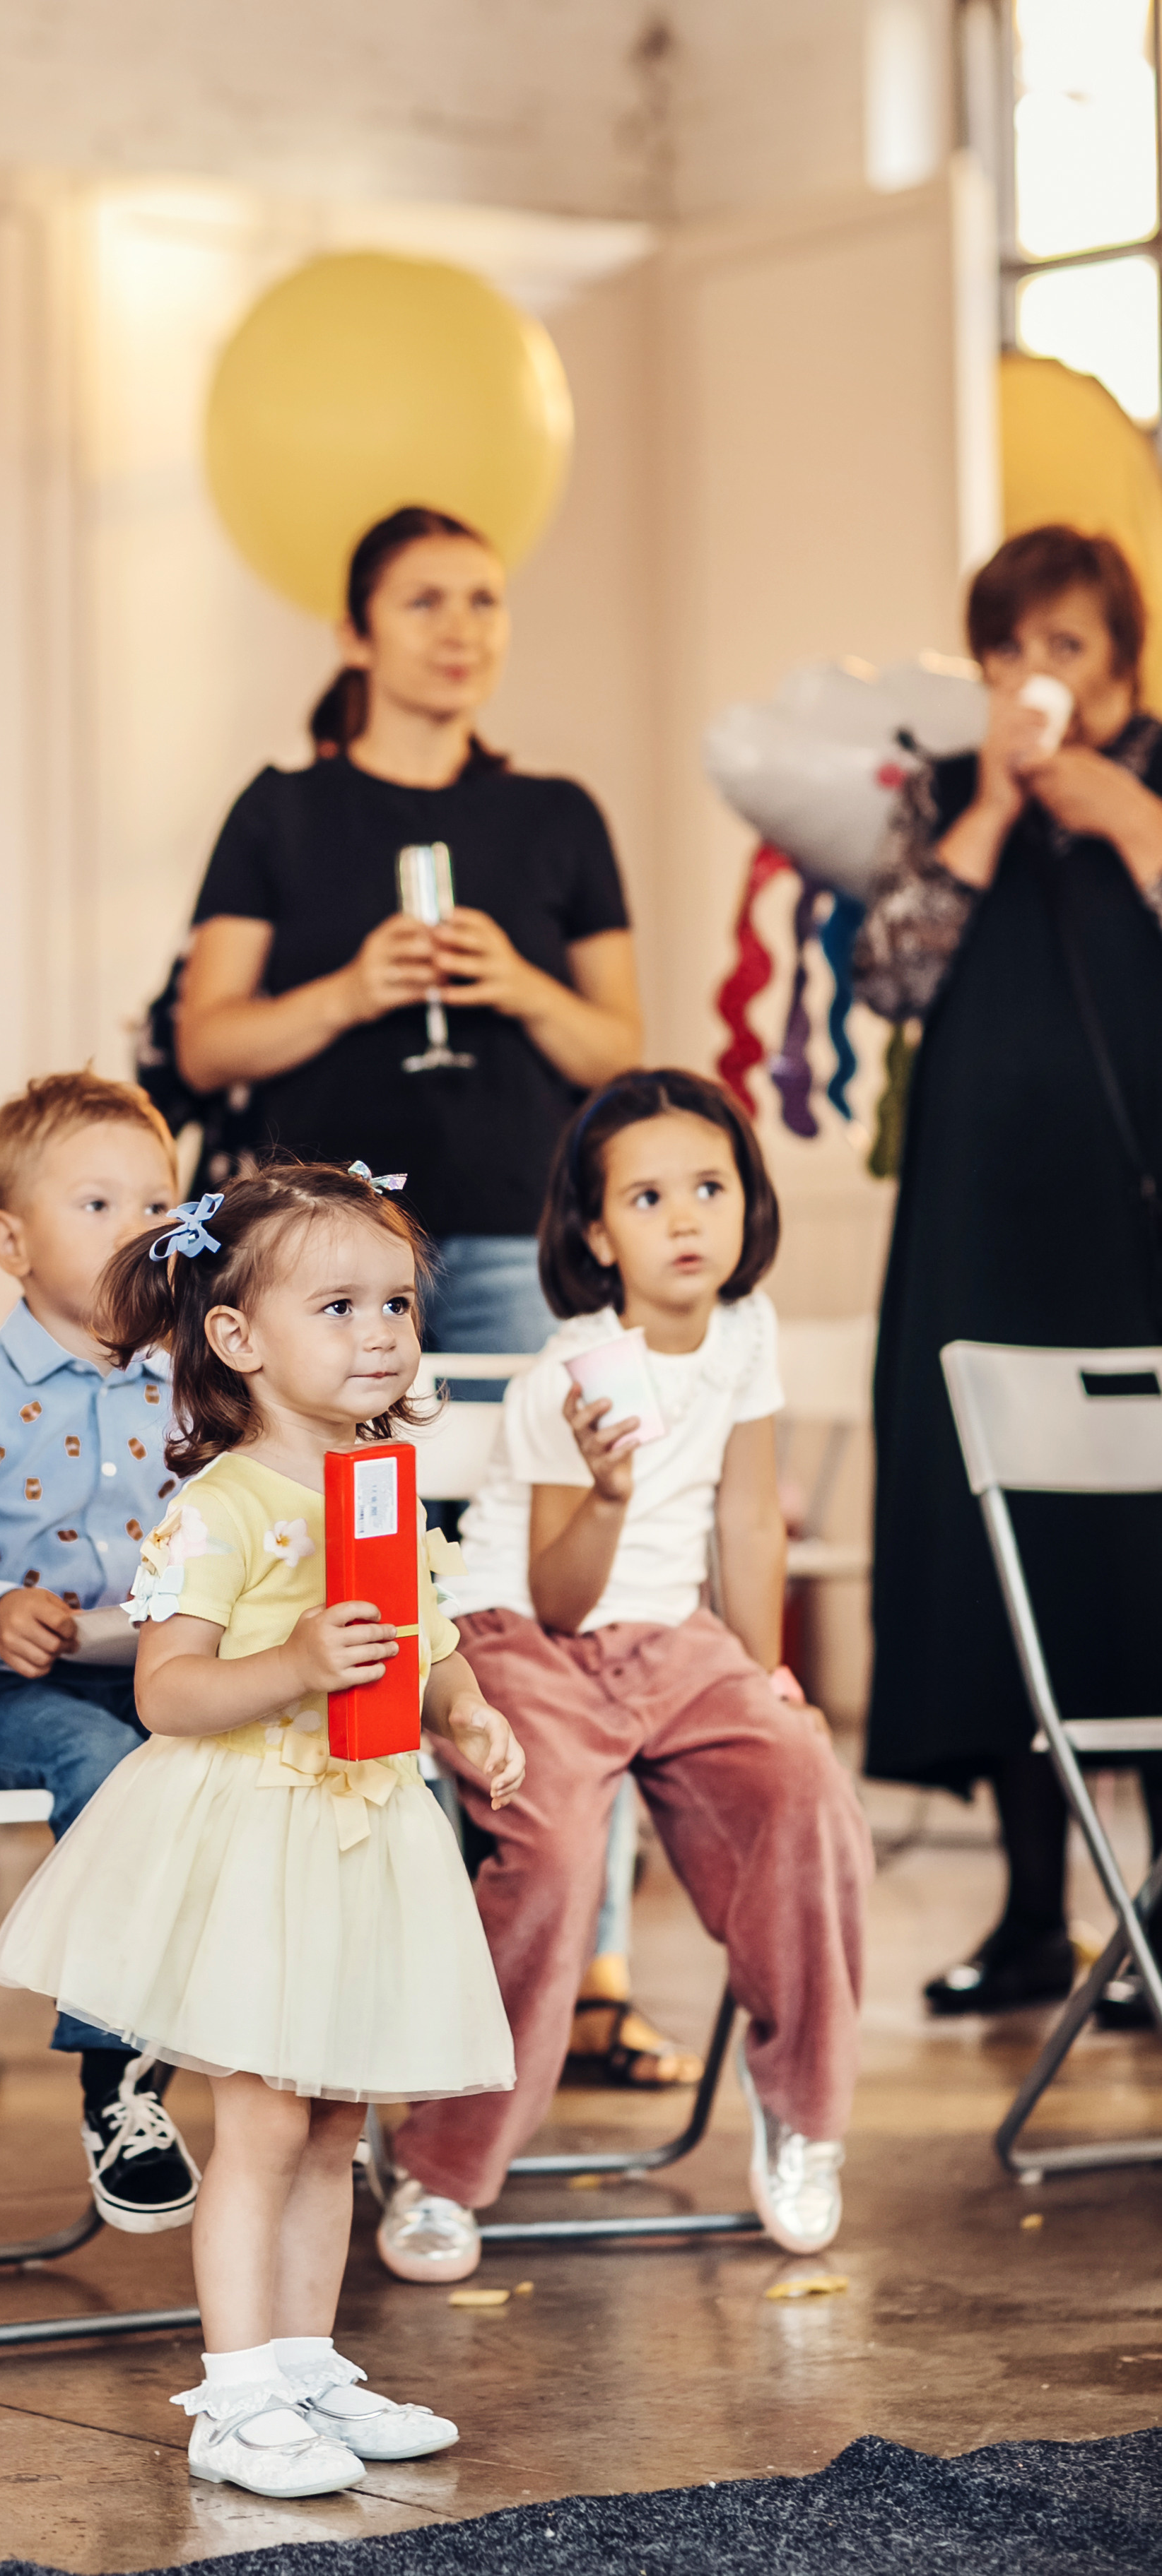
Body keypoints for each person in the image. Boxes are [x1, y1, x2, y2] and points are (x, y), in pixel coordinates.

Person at [177, 504, 677, 2086]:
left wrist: (513, 982)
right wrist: (354, 988)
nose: (459, 628)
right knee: (323, 1576)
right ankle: (344, 1941)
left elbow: (625, 1051)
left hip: (516, 1250)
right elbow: (206, 1043)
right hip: (317, 1269)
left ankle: (577, 1961)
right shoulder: (281, 809)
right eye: (422, 601)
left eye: (483, 600)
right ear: (356, 632)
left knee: (546, 1587)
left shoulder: (553, 814)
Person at [0, 1162, 522, 2500]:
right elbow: (168, 1693)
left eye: (394, 1302)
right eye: (338, 1304)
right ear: (236, 1338)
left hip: (370, 1827)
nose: (381, 1332)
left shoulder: (380, 1484)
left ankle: (302, 2361)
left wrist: (464, 1709)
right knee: (266, 2122)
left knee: (338, 2118)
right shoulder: (220, 1504)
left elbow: (431, 1638)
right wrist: (288, 1663)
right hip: (264, 1836)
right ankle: (231, 2394)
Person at [375, 1072, 873, 2284]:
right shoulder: (572, 1371)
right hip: (524, 1634)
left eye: (709, 1187)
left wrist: (764, 1678)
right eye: (647, 1198)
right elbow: (556, 1593)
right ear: (597, 1235)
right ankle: (443, 2165)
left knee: (804, 1786)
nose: (686, 1218)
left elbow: (748, 1521)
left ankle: (803, 2109)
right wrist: (605, 1489)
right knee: (550, 1860)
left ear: (747, 1204)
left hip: (674, 1637)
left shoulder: (745, 1333)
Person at [856, 526, 1162, 2023]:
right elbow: (889, 982)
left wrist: (1130, 822)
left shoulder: (1153, 782)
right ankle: (1033, 1909)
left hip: (1131, 1231)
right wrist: (989, 807)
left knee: (1143, 1542)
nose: (1034, 678)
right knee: (998, 1549)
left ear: (1122, 666)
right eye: (1010, 652)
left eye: (1065, 650)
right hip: (978, 1231)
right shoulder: (942, 797)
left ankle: (1159, 1911)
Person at [0, 1070, 202, 2228]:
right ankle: (114, 2076)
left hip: (164, 1679)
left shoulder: (199, 1387)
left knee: (275, 1763)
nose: (143, 1228)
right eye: (100, 1204)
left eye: (159, 1202)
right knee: (116, 1774)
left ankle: (305, 2080)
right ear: (11, 1242)